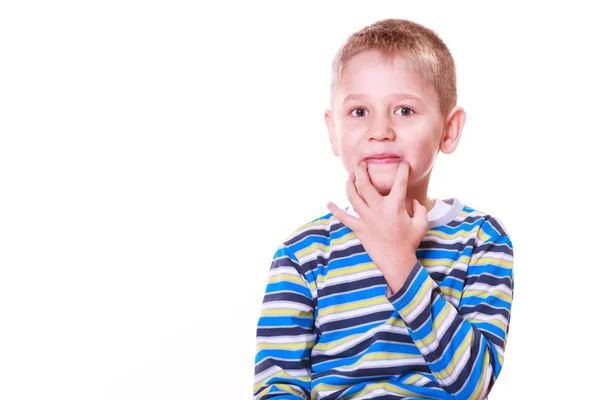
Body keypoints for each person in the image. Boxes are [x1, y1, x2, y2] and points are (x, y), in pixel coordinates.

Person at [253, 18, 514, 400]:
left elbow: (473, 386)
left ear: (449, 129)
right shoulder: (302, 252)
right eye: (359, 112)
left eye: (404, 111)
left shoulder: (481, 240)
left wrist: (399, 260)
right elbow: (277, 385)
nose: (380, 130)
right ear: (333, 131)